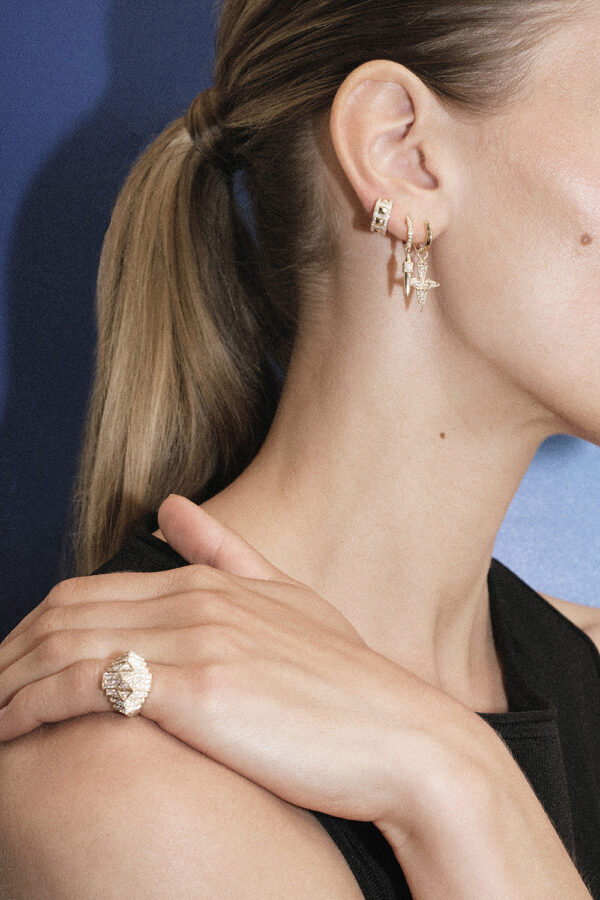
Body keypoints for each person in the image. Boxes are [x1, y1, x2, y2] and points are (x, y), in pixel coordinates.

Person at [1, 0, 599, 896]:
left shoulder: (581, 665)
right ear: (400, 151)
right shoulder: (133, 796)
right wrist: (449, 775)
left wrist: (455, 778)